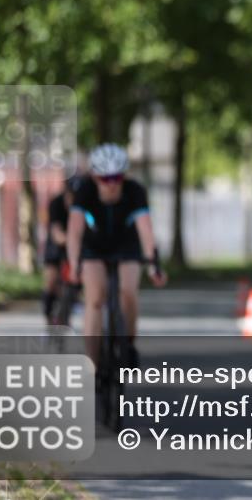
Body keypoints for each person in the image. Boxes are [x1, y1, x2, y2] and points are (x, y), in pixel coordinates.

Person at [66, 143, 166, 369]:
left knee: (128, 291)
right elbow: (74, 231)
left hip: (126, 246)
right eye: (105, 179)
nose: (111, 184)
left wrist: (153, 265)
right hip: (93, 247)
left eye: (117, 178)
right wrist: (74, 263)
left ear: (124, 176)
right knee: (94, 299)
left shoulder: (135, 191)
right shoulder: (84, 190)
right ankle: (92, 363)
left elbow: (146, 231)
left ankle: (128, 344)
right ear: (95, 176)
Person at [41, 175, 83, 324]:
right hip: (57, 245)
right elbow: (56, 233)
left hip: (78, 245)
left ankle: (73, 302)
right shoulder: (56, 204)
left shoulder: (85, 205)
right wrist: (70, 240)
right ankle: (48, 314)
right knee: (51, 280)